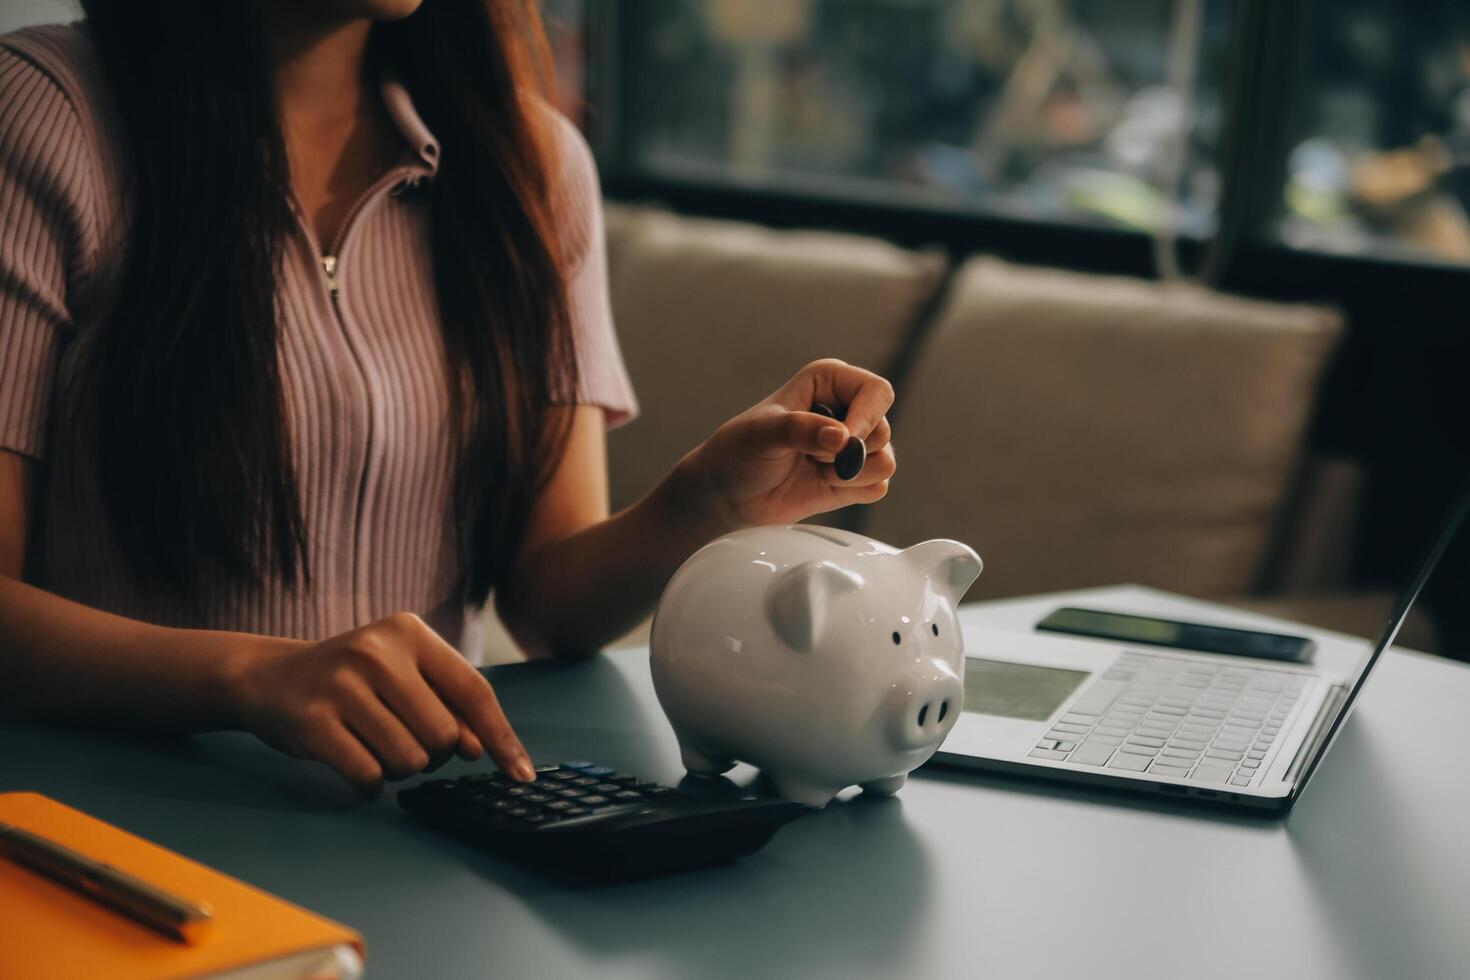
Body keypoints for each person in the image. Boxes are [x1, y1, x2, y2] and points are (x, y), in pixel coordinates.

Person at [0, 1, 897, 797]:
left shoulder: (531, 166)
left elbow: (548, 608)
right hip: (113, 829)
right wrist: (249, 677)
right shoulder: (43, 116)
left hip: (422, 823)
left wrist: (708, 500)